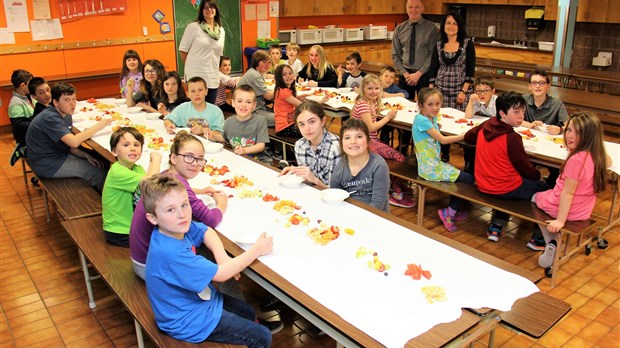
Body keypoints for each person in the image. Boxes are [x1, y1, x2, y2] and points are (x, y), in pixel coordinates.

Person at [141, 174, 281, 346]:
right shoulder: (170, 253)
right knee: (263, 336)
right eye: (171, 209)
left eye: (184, 205)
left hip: (200, 300)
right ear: (153, 218)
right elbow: (221, 275)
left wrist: (222, 256)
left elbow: (206, 231)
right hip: (187, 321)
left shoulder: (173, 228)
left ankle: (252, 326)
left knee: (247, 310)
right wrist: (257, 250)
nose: (182, 214)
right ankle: (257, 333)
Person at [130, 131, 228, 280]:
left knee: (195, 231)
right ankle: (220, 292)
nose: (195, 163)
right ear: (174, 158)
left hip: (141, 257)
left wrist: (198, 191)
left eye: (200, 159)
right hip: (150, 267)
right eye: (189, 157)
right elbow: (211, 220)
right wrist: (221, 203)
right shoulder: (179, 182)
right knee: (206, 244)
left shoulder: (166, 174)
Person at [463, 92, 549, 242]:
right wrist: (538, 176)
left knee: (516, 178)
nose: (521, 116)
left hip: (482, 182)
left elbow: (469, 137)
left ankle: (497, 225)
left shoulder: (487, 125)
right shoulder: (512, 138)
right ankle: (539, 238)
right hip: (503, 188)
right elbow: (525, 168)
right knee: (547, 189)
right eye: (516, 112)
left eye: (522, 111)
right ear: (502, 113)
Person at [533, 112, 612, 268]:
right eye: (569, 130)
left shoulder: (576, 160)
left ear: (588, 136)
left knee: (535, 197)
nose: (570, 136)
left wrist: (560, 221)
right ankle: (553, 241)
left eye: (577, 132)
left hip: (566, 209)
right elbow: (608, 161)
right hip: (584, 209)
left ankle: (551, 240)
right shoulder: (597, 154)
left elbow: (567, 193)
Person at [25, 83, 111, 191]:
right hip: (47, 164)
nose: (72, 104)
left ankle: (102, 195)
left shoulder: (66, 114)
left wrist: (85, 154)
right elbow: (73, 142)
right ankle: (110, 204)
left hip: (59, 154)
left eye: (74, 99)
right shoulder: (50, 118)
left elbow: (68, 145)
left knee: (101, 160)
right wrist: (100, 125)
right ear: (55, 102)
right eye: (66, 100)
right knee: (97, 173)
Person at [412, 88, 473, 232]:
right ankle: (449, 212)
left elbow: (433, 132)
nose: (435, 108)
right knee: (468, 179)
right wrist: (463, 135)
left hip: (431, 165)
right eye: (430, 104)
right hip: (430, 169)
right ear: (421, 106)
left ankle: (455, 208)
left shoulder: (428, 118)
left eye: (437, 104)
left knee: (464, 176)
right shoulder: (423, 121)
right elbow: (443, 141)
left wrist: (436, 126)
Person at [351, 74, 415, 209]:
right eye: (370, 88)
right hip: (363, 143)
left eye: (376, 88)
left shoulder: (371, 102)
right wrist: (388, 117)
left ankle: (394, 184)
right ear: (363, 89)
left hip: (368, 140)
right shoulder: (363, 104)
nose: (374, 91)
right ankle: (395, 192)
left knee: (395, 156)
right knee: (400, 157)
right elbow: (371, 127)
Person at [102, 127, 162, 247]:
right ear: (114, 151)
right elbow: (152, 182)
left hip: (132, 226)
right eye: (126, 145)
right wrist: (156, 160)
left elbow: (151, 187)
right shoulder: (117, 171)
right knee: (165, 242)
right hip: (119, 231)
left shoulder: (137, 169)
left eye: (136, 144)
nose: (132, 148)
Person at [429, 11, 475, 163]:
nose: (451, 26)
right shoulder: (438, 45)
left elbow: (470, 70)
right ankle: (445, 154)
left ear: (459, 26)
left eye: (454, 23)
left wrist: (464, 90)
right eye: (448, 23)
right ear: (443, 26)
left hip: (460, 92)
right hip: (441, 90)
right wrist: (431, 90)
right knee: (442, 124)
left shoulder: (467, 44)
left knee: (463, 126)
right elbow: (433, 68)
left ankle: (468, 160)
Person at [330, 118, 390, 212]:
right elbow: (336, 200)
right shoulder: (339, 171)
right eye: (347, 138)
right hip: (348, 214)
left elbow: (377, 205)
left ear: (368, 142)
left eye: (359, 136)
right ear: (341, 144)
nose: (353, 141)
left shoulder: (378, 165)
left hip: (376, 217)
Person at [280, 100, 341, 188]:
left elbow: (336, 191)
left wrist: (314, 179)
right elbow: (307, 179)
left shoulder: (335, 148)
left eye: (312, 122)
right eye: (302, 124)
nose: (307, 128)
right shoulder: (300, 145)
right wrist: (296, 172)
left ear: (323, 121)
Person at [179, 0, 225, 104]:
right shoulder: (193, 27)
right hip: (196, 74)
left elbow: (219, 54)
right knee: (198, 107)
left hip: (213, 76)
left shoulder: (221, 31)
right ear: (201, 11)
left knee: (210, 108)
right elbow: (183, 50)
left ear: (216, 9)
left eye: (212, 7)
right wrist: (190, 67)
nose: (209, 10)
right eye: (206, 7)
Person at [392, 0, 440, 99]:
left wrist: (418, 74)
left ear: (422, 8)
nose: (413, 10)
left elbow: (433, 54)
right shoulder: (399, 29)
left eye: (417, 7)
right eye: (410, 7)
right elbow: (395, 54)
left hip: (424, 75)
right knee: (403, 106)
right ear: (406, 9)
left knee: (425, 105)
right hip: (405, 75)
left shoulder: (432, 29)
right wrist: (405, 74)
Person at [164, 76, 225, 142]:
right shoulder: (183, 108)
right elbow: (167, 119)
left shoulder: (216, 111)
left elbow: (220, 135)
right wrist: (169, 125)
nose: (197, 94)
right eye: (193, 91)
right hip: (187, 144)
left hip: (208, 145)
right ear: (188, 94)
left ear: (206, 91)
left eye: (200, 90)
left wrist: (203, 131)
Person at [223, 85, 271, 164]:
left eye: (248, 102)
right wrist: (212, 134)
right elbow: (223, 138)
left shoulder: (260, 121)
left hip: (259, 160)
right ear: (233, 103)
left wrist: (244, 150)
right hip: (238, 159)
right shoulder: (228, 122)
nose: (244, 105)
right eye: (239, 101)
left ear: (254, 105)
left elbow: (261, 146)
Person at [463, 75, 497, 175]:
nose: (482, 94)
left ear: (493, 91)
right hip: (485, 127)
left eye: (486, 91)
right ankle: (469, 165)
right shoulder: (478, 101)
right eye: (478, 91)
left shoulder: (497, 102)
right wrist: (471, 100)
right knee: (469, 139)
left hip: (494, 131)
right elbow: (468, 116)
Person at [522, 69, 568, 135]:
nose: (537, 86)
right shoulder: (523, 100)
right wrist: (529, 124)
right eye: (534, 83)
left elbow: (569, 126)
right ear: (529, 86)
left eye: (542, 83)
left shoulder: (557, 105)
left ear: (548, 86)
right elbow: (510, 118)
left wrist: (560, 129)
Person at [274, 64, 315, 138]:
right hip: (284, 128)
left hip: (289, 124)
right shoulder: (284, 92)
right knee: (312, 130)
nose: (288, 76)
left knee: (312, 128)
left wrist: (298, 97)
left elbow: (289, 100)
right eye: (284, 74)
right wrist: (320, 102)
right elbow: (302, 106)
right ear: (279, 78)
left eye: (290, 73)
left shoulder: (283, 89)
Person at [237, 50, 275, 127]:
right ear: (256, 62)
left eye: (269, 62)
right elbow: (268, 96)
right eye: (264, 62)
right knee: (283, 119)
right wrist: (280, 87)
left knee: (282, 113)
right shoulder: (255, 76)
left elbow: (267, 77)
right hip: (252, 112)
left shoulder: (255, 72)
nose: (267, 65)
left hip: (257, 108)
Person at [8, 69, 34, 148]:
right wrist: (38, 122)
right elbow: (19, 126)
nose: (33, 86)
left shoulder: (29, 96)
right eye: (31, 84)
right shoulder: (15, 103)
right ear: (22, 85)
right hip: (27, 140)